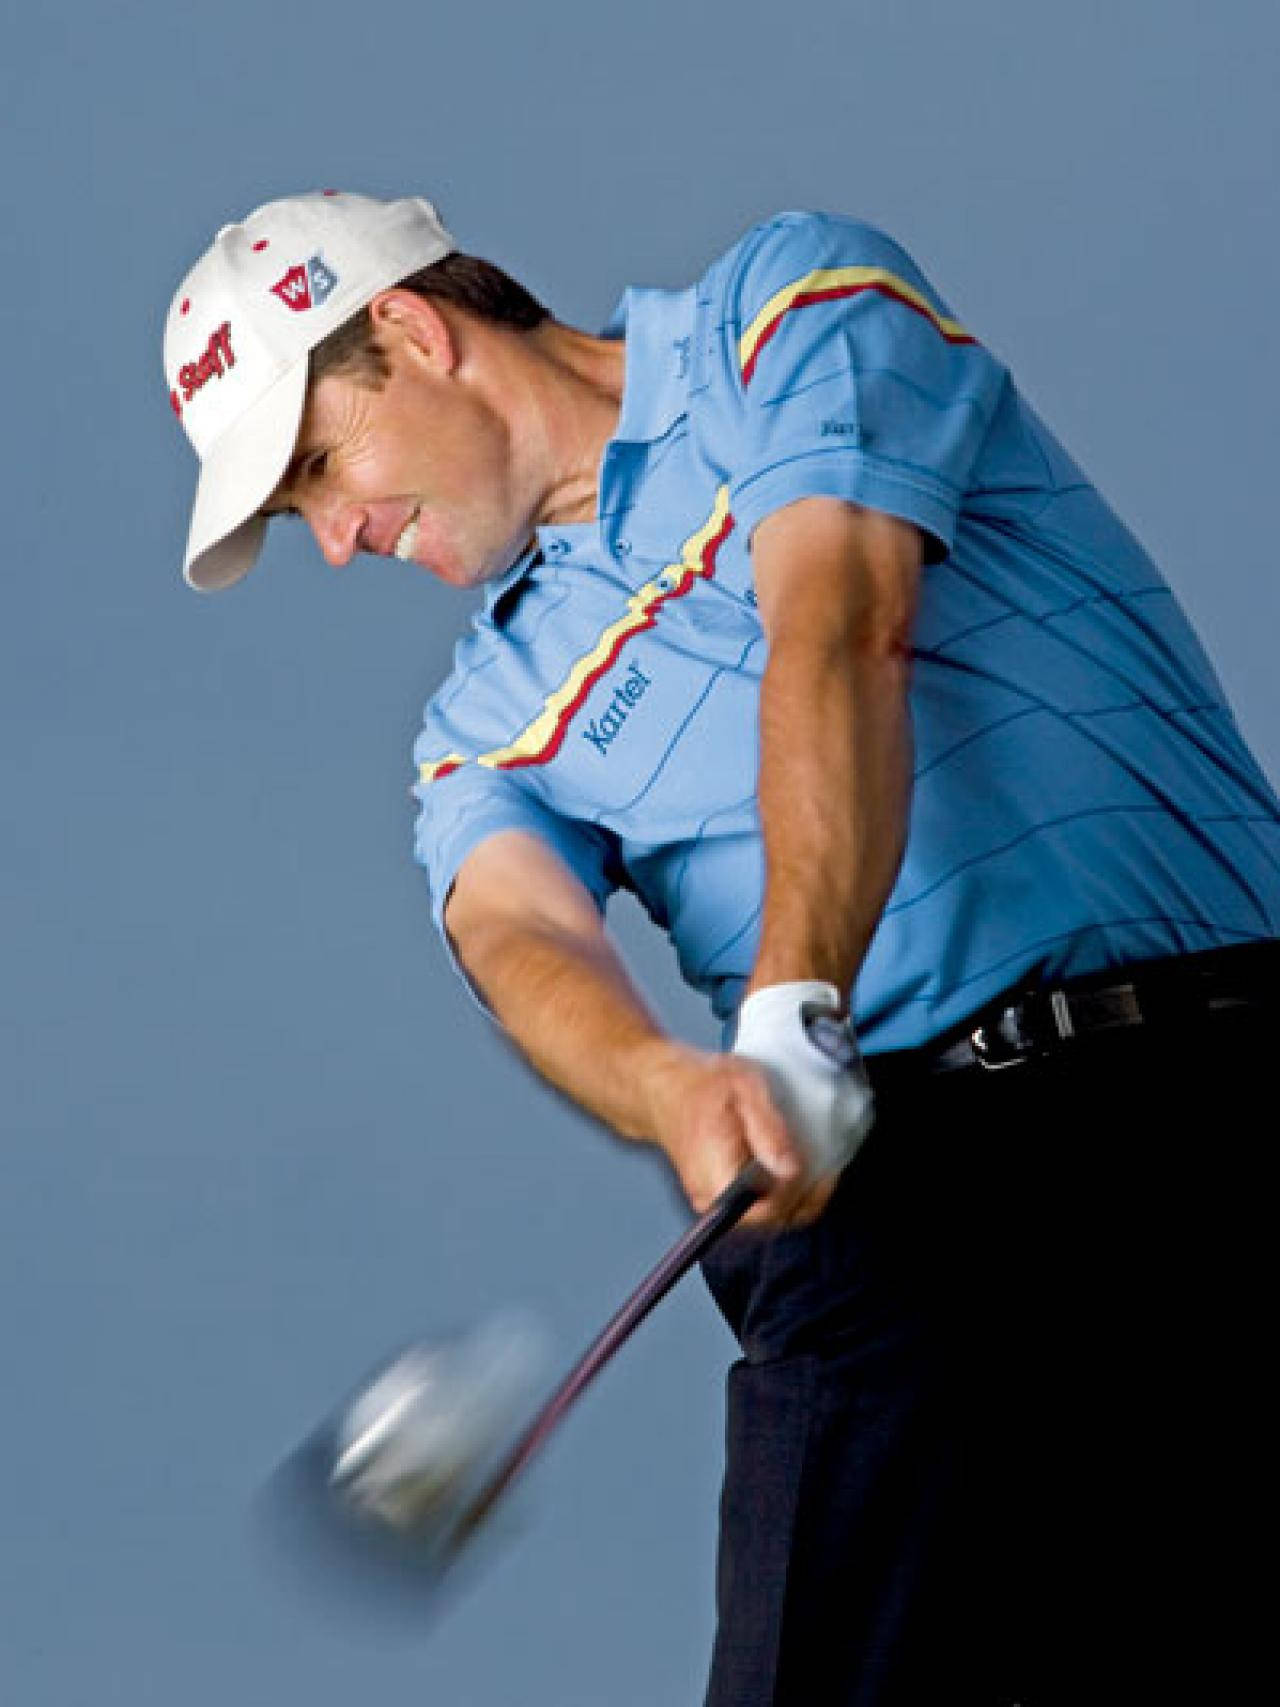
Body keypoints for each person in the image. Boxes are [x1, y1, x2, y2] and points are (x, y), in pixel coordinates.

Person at [165, 189, 1280, 1702]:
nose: (341, 540)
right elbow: (516, 931)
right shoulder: (483, 728)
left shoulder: (787, 313)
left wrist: (790, 1001)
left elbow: (841, 616)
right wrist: (672, 1092)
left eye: (319, 467)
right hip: (894, 1195)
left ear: (414, 332)